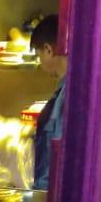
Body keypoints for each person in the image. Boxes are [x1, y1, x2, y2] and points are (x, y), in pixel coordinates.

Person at [30, 15, 67, 191]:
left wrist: (44, 194)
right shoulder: (63, 91)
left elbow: (58, 151)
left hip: (52, 192)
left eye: (39, 56)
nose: (40, 63)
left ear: (48, 50)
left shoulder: (67, 95)